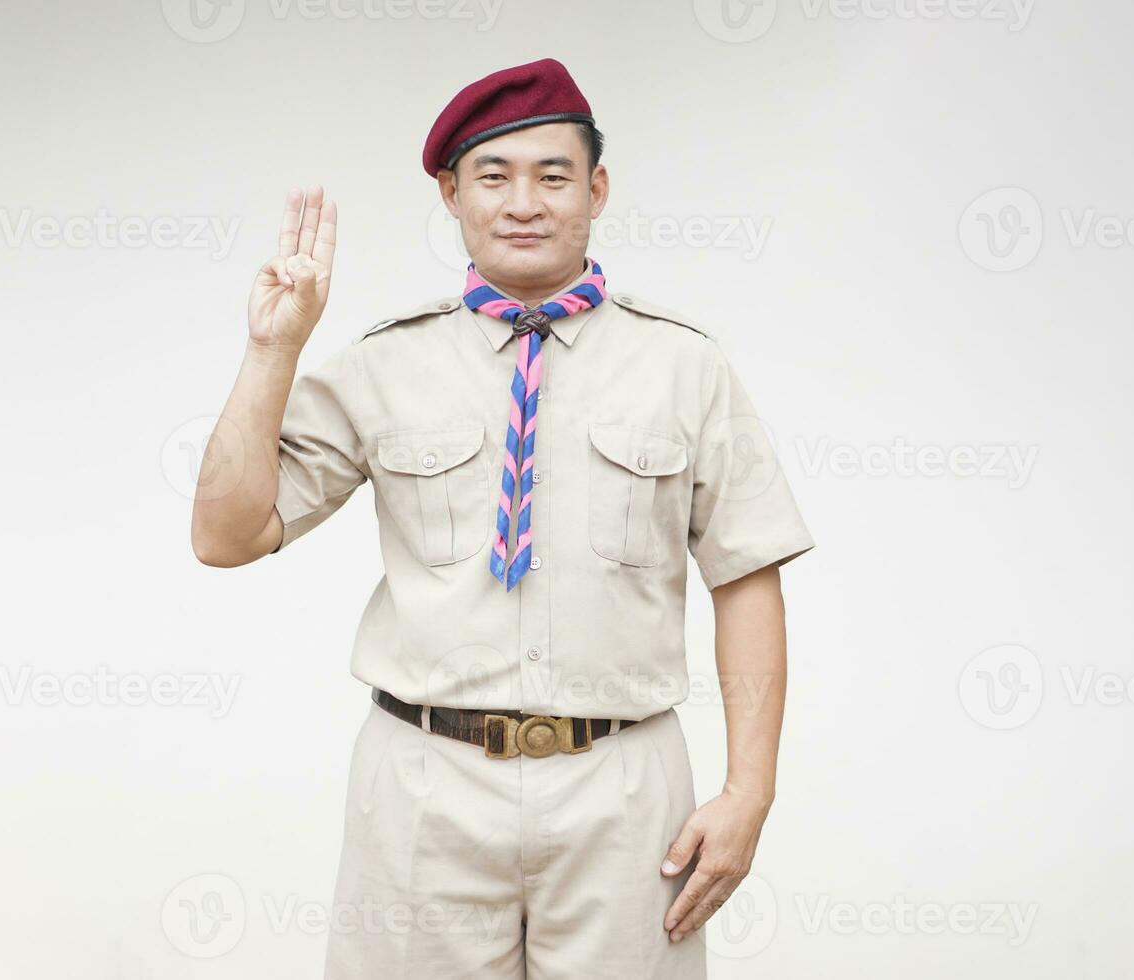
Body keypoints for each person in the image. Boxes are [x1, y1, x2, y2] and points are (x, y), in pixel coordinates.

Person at [191, 57, 814, 980]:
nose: (523, 201)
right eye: (493, 176)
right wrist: (271, 351)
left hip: (623, 784)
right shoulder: (382, 365)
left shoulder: (684, 367)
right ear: (452, 192)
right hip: (424, 784)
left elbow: (746, 576)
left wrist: (748, 791)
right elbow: (226, 536)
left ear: (595, 190)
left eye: (552, 175)